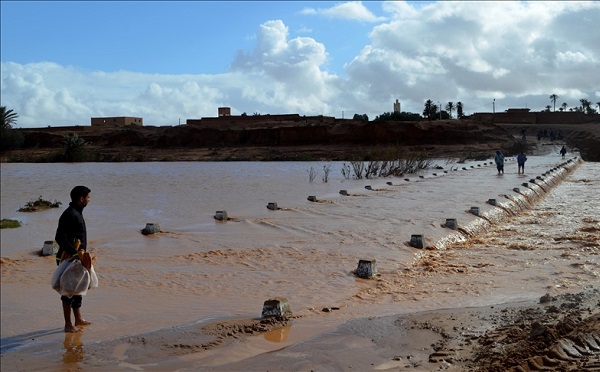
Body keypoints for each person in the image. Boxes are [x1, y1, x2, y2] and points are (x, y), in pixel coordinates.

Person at [55, 185, 92, 333]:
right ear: (81, 199)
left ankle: (78, 319)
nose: (89, 200)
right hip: (68, 257)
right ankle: (68, 324)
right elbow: (59, 237)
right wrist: (74, 253)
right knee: (68, 290)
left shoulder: (77, 212)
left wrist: (81, 254)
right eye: (88, 197)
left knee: (79, 288)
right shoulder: (70, 214)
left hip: (78, 256)